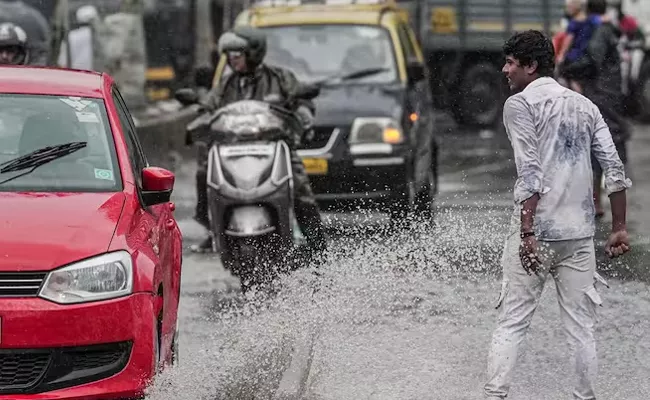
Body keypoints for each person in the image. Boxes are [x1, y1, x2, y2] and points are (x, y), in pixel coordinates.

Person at [484, 30, 632, 400]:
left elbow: (530, 173)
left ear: (531, 66)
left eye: (511, 63)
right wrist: (618, 229)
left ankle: (494, 395)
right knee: (581, 329)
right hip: (578, 236)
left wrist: (527, 233)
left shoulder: (519, 105)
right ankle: (585, 397)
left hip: (537, 231)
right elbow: (613, 168)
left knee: (512, 323)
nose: (505, 70)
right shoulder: (584, 105)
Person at [188, 26, 327, 259]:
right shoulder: (225, 85)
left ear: (254, 53)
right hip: (232, 150)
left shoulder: (280, 78)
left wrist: (304, 114)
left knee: (300, 186)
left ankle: (316, 243)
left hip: (273, 148)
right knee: (204, 173)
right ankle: (213, 230)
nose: (233, 61)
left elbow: (301, 101)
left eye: (237, 55)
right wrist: (200, 119)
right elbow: (208, 108)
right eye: (230, 56)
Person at [563, 0, 630, 217]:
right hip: (613, 92)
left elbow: (593, 59)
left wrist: (568, 69)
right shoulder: (611, 29)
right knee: (615, 143)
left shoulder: (600, 31)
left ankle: (597, 202)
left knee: (597, 145)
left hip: (600, 93)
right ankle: (608, 202)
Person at [556, 0, 601, 94]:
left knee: (570, 79)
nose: (567, 9)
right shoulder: (592, 20)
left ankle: (578, 100)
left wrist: (561, 55)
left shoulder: (574, 23)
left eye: (568, 7)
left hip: (575, 57)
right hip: (588, 57)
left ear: (575, 7)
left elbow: (568, 41)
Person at [0, 0, 50, 66]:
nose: (4, 56)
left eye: (11, 50)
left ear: (22, 53)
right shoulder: (35, 17)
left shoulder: (34, 18)